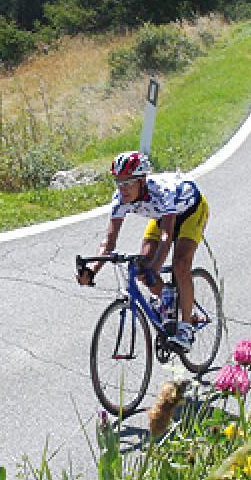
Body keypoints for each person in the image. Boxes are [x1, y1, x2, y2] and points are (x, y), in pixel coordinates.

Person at [76, 151, 209, 353]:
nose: (123, 189)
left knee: (180, 264)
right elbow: (109, 241)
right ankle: (169, 301)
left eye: (128, 183)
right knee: (141, 267)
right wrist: (93, 270)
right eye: (119, 183)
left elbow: (166, 236)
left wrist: (154, 268)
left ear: (142, 181)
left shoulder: (163, 191)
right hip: (161, 217)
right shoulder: (120, 199)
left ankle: (186, 326)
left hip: (190, 212)